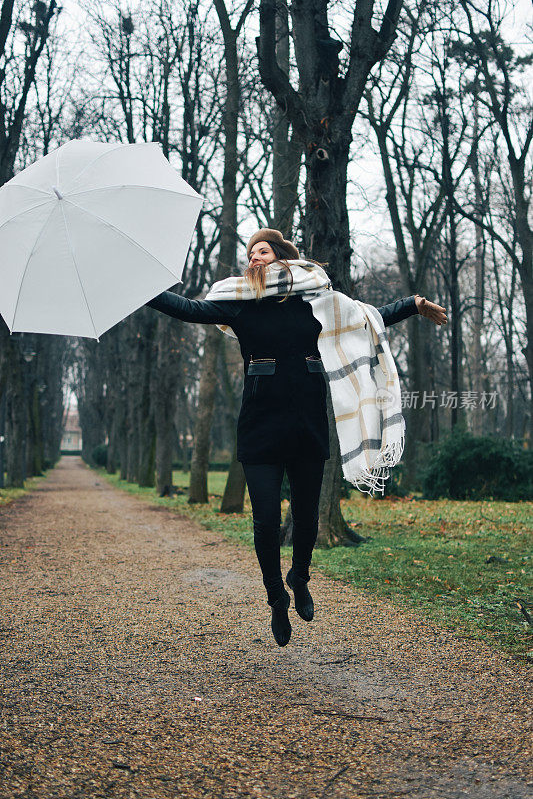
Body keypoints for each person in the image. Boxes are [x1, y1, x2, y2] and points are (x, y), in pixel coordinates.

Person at [147, 228, 448, 647]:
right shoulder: (238, 305)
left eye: (263, 250)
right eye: (250, 252)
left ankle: (299, 577)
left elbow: (366, 318)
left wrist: (413, 305)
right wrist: (144, 290)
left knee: (306, 518)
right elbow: (185, 308)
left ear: (282, 256)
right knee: (266, 521)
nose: (254, 257)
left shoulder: (317, 302)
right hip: (259, 427)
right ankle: (276, 596)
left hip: (306, 423)